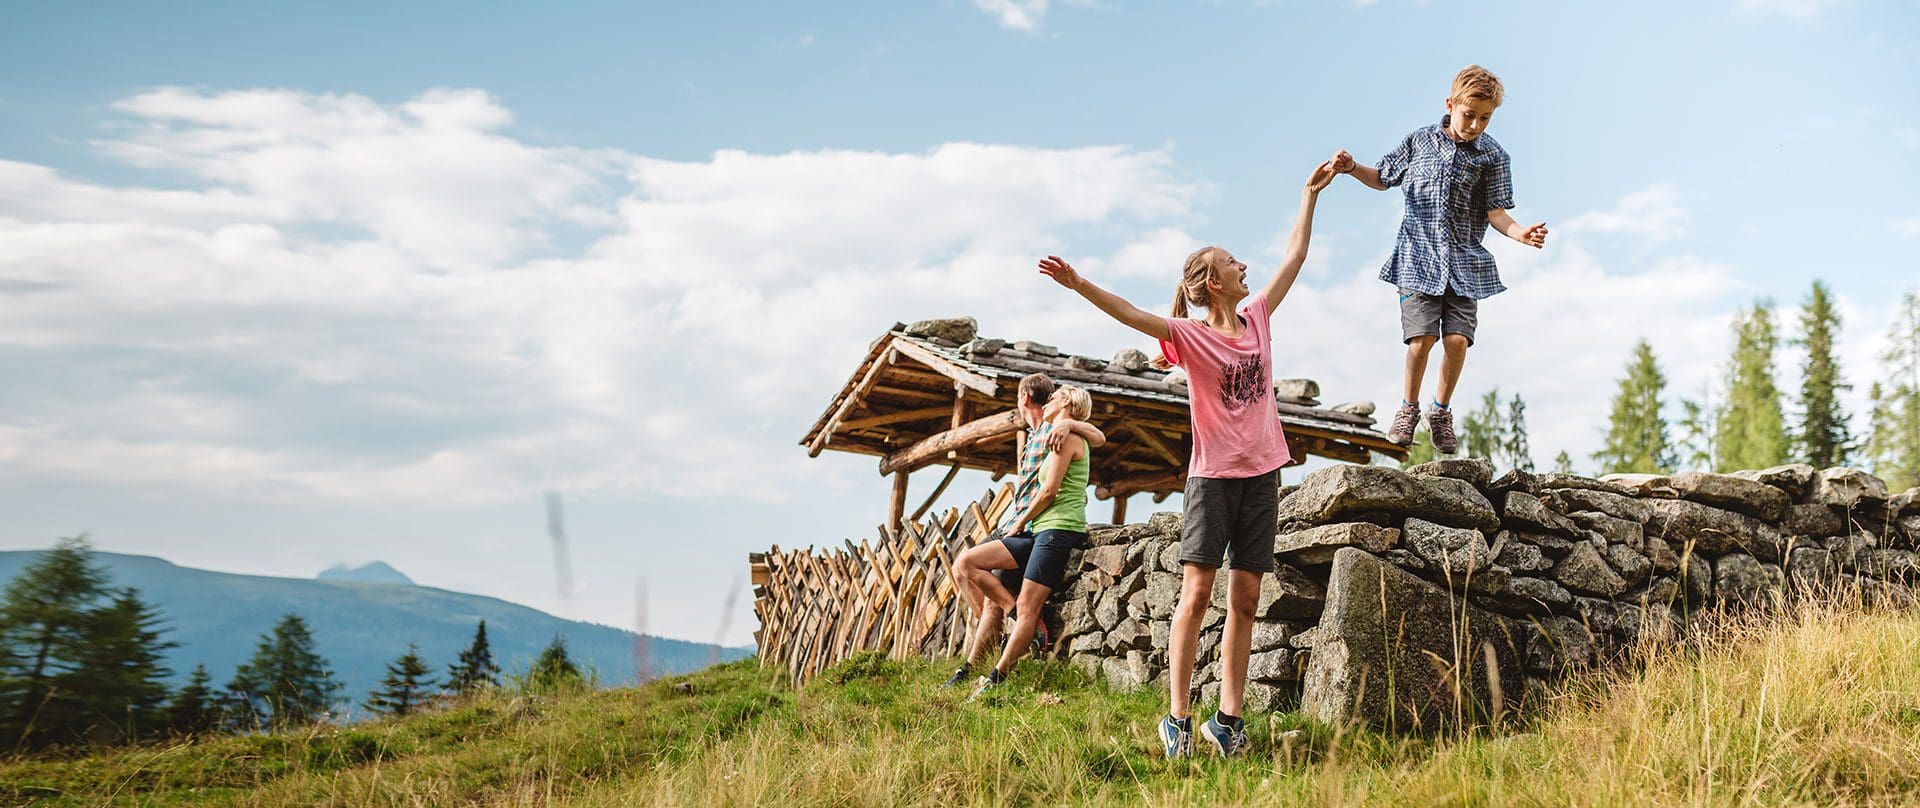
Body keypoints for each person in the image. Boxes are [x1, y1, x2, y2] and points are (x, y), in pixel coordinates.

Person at [1036, 160, 1336, 757]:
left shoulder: (1257, 319)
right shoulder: (1189, 336)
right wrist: (1078, 284)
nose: (1245, 266)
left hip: (1263, 474)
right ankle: (1176, 716)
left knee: (1247, 598)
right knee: (1197, 592)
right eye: (1233, 261)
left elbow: (1295, 259)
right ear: (1213, 280)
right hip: (1213, 478)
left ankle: (1227, 720)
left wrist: (1308, 194)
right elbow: (1130, 313)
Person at [1328, 64, 1548, 454]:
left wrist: (1521, 234)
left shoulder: (1494, 156)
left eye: (1485, 118)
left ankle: (1440, 412)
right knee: (1421, 340)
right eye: (1469, 115)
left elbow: (1497, 213)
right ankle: (1408, 409)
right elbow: (1382, 177)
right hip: (1417, 258)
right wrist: (1350, 169)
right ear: (1451, 104)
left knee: (1458, 340)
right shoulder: (1419, 141)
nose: (1476, 125)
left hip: (1465, 262)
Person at [946, 373, 1104, 688]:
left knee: (1005, 599)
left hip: (1038, 527)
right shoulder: (1038, 434)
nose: (1050, 402)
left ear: (1024, 400)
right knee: (970, 570)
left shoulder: (1056, 431)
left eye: (1056, 398)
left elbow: (1095, 439)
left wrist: (1070, 423)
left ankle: (987, 670)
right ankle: (987, 652)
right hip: (1030, 524)